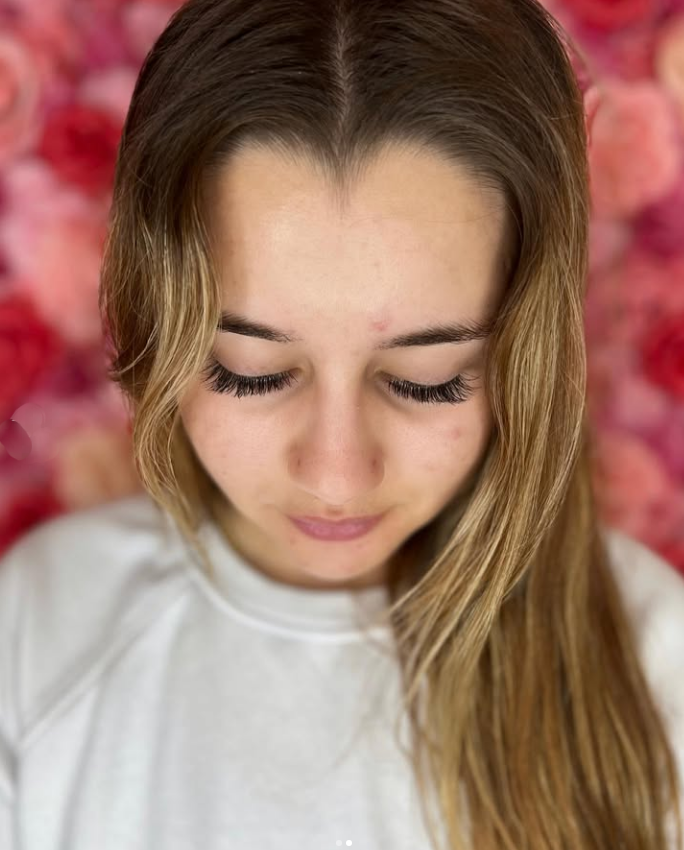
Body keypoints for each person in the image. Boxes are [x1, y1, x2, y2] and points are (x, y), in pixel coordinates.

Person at [1, 0, 683, 848]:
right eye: (248, 372)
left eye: (427, 380)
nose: (334, 474)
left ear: (528, 332)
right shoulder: (38, 628)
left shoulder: (658, 663)